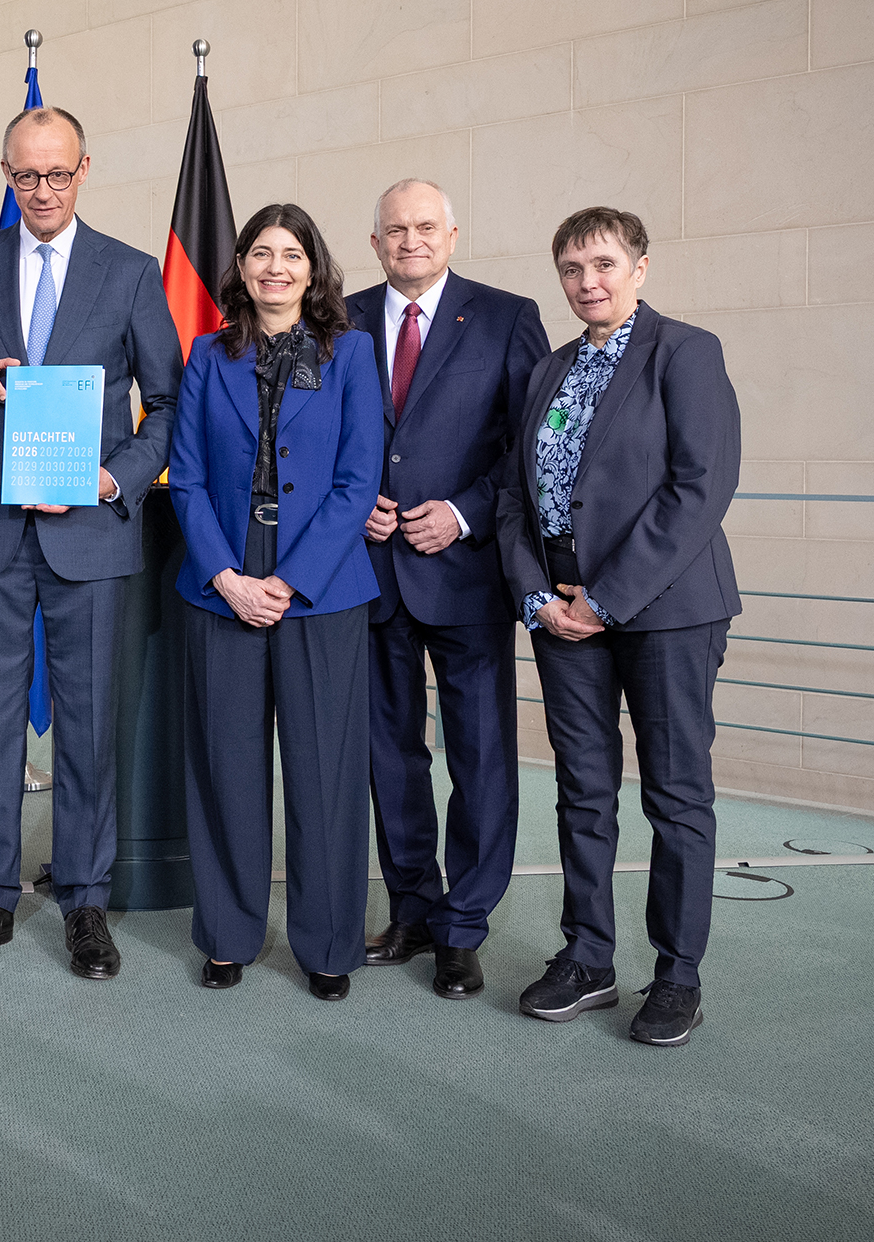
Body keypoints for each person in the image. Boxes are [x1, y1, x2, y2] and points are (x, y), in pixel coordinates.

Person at [0, 105, 181, 980]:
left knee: (88, 726)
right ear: (6, 174)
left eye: (58, 173)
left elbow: (168, 405)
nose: (42, 190)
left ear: (84, 169)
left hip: (89, 533)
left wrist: (113, 478)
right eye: (26, 175)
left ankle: (85, 899)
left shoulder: (130, 272)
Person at [496, 207, 740, 1047]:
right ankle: (588, 956)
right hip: (560, 614)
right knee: (584, 789)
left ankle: (677, 974)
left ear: (639, 266)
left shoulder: (686, 352)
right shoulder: (549, 370)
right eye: (570, 269)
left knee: (675, 794)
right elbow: (515, 495)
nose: (586, 282)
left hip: (665, 609)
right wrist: (536, 595)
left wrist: (604, 600)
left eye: (602, 264)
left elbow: (699, 488)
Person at [168, 203, 383, 1001]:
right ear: (242, 267)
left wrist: (290, 580)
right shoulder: (207, 354)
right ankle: (229, 935)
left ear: (312, 268)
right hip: (224, 579)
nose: (275, 268)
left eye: (291, 254)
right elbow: (186, 479)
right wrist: (227, 577)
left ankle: (327, 945)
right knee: (227, 766)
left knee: (326, 771)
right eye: (261, 253)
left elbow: (357, 480)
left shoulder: (350, 352)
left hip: (320, 583)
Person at [346, 180, 550, 999]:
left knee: (480, 756)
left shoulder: (506, 316)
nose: (411, 240)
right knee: (389, 755)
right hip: (371, 575)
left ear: (453, 235)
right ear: (375, 243)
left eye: (425, 226)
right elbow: (319, 435)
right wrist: (350, 504)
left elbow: (529, 446)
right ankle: (413, 910)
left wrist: (464, 514)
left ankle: (464, 927)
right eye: (395, 229)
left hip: (465, 574)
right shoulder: (340, 319)